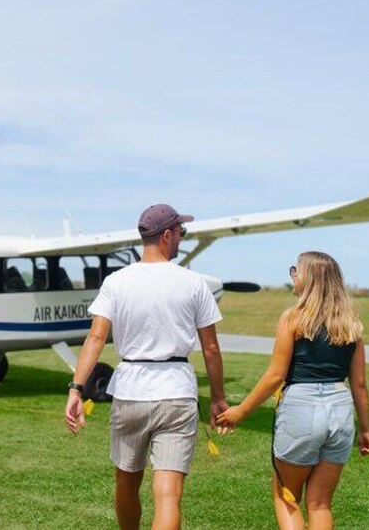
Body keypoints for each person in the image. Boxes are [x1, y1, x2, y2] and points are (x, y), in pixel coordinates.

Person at [64, 203, 229, 530]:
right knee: (168, 496)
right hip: (177, 394)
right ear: (167, 235)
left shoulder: (116, 281)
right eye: (181, 232)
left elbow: (96, 338)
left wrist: (76, 389)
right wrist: (220, 399)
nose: (182, 237)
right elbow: (210, 348)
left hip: (130, 393)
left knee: (126, 484)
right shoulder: (195, 283)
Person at [218, 251, 369, 530]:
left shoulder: (293, 319)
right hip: (340, 410)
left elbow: (276, 374)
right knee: (320, 503)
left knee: (285, 496)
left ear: (310, 279)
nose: (292, 276)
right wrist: (365, 429)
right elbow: (359, 384)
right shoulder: (351, 324)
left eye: (296, 270)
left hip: (301, 407)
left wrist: (240, 411)